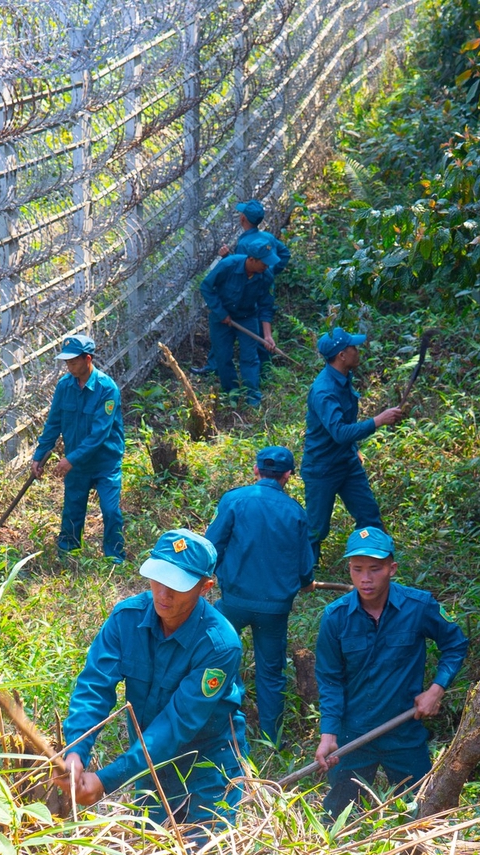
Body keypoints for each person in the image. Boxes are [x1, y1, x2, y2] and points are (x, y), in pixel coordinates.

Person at [56, 530, 248, 832]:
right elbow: (95, 687)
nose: (163, 593)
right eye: (159, 579)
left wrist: (106, 781)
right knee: (150, 852)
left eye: (178, 586)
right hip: (148, 763)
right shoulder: (126, 619)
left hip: (208, 765)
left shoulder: (219, 645)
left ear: (205, 587)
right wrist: (76, 750)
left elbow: (177, 724)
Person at [312, 527, 468, 818]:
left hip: (404, 732)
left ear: (391, 568)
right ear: (349, 569)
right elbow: (330, 680)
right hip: (353, 736)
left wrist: (436, 689)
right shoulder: (336, 618)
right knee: (339, 819)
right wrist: (329, 733)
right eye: (357, 570)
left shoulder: (418, 606)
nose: (365, 578)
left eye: (375, 569)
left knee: (423, 815)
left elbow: (455, 644)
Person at [206, 446, 315, 747]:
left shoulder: (234, 500)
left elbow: (211, 546)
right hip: (274, 609)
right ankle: (272, 740)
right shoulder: (295, 512)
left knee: (218, 656)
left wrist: (209, 574)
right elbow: (305, 567)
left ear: (256, 470)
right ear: (288, 475)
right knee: (271, 673)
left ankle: (222, 729)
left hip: (234, 602)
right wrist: (306, 582)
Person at [301, 328, 405, 562]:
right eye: (353, 348)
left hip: (346, 462)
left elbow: (344, 423)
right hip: (323, 468)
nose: (358, 351)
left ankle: (377, 560)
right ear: (341, 355)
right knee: (317, 528)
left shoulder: (343, 378)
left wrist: (354, 449)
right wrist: (378, 420)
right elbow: (339, 431)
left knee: (369, 514)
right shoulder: (324, 390)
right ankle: (305, 574)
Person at [32, 332, 125, 562]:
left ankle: (114, 557)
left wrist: (70, 459)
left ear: (88, 359)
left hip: (105, 462)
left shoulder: (107, 389)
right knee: (73, 508)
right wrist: (39, 455)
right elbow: (53, 423)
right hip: (77, 464)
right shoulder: (65, 386)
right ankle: (68, 553)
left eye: (74, 362)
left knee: (111, 510)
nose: (70, 367)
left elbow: (99, 434)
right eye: (67, 362)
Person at [198, 232, 279, 407]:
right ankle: (231, 395)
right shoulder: (228, 265)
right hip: (221, 319)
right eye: (264, 262)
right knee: (223, 356)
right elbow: (206, 287)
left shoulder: (266, 276)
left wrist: (267, 335)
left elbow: (266, 306)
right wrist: (221, 313)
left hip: (247, 318)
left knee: (250, 358)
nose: (267, 266)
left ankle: (252, 398)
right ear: (252, 259)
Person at [230, 199, 291, 275]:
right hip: (267, 284)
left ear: (242, 218)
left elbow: (240, 270)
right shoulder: (268, 236)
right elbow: (285, 254)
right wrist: (272, 272)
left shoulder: (243, 244)